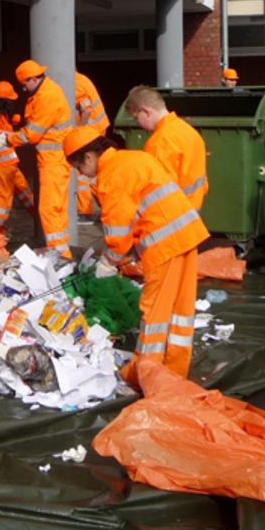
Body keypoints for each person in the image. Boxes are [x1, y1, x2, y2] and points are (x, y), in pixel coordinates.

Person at [64, 126, 209, 387]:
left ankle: (143, 374)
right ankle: (174, 371)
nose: (81, 174)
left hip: (164, 246)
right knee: (180, 311)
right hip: (187, 234)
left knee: (154, 314)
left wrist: (108, 261)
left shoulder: (111, 177)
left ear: (88, 157)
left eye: (78, 168)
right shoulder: (135, 157)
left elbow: (118, 233)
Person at [0, 60, 73, 257]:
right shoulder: (44, 93)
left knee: (50, 210)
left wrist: (5, 140)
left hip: (54, 160)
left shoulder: (46, 96)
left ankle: (61, 257)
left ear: (33, 79)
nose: (23, 89)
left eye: (24, 84)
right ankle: (61, 253)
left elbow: (32, 134)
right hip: (53, 159)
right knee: (54, 209)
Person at [124, 85, 209, 214]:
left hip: (171, 216)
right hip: (193, 209)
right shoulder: (187, 130)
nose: (138, 124)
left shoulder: (159, 142)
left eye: (136, 118)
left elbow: (157, 190)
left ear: (146, 111)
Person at [0, 81, 36, 235]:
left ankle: (38, 217)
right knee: (4, 198)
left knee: (23, 190)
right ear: (6, 101)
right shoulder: (0, 116)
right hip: (4, 164)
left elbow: (8, 121)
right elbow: (10, 136)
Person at [75, 72, 110, 218]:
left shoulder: (74, 84)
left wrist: (79, 129)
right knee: (94, 171)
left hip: (91, 131)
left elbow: (87, 109)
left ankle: (85, 211)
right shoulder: (80, 78)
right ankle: (106, 204)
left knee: (82, 172)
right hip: (97, 128)